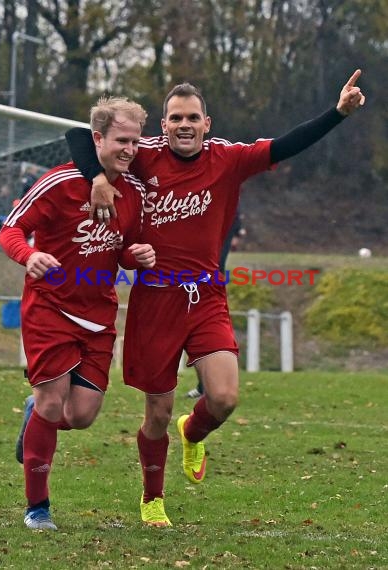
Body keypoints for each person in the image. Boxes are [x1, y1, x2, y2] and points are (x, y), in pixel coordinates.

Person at [66, 69, 365, 526]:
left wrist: (338, 113)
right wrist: (96, 179)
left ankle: (195, 429)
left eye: (192, 117)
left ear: (207, 122)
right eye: (174, 118)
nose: (183, 124)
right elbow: (76, 136)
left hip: (205, 296)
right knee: (157, 412)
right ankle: (153, 500)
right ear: (162, 126)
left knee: (224, 398)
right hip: (155, 301)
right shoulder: (143, 154)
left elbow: (287, 144)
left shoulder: (228, 158)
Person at [0, 97, 156, 531]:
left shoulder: (135, 192)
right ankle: (38, 507)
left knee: (82, 415)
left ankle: (35, 415)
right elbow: (10, 229)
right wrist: (28, 256)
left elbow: (122, 249)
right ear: (98, 139)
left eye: (135, 142)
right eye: (122, 140)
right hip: (49, 307)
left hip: (99, 315)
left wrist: (137, 254)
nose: (129, 149)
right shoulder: (59, 183)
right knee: (53, 402)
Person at [185, 209, 246, 399]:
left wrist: (236, 229)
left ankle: (209, 384)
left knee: (205, 329)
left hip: (207, 286)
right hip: (184, 280)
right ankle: (205, 384)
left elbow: (232, 198)